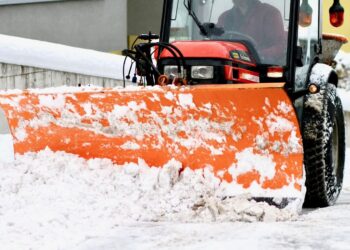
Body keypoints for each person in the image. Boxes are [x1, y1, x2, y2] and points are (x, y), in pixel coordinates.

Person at [217, 0, 286, 64]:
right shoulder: (224, 17)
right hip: (230, 64)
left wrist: (256, 55)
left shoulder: (270, 13)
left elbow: (280, 46)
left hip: (259, 67)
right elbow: (217, 44)